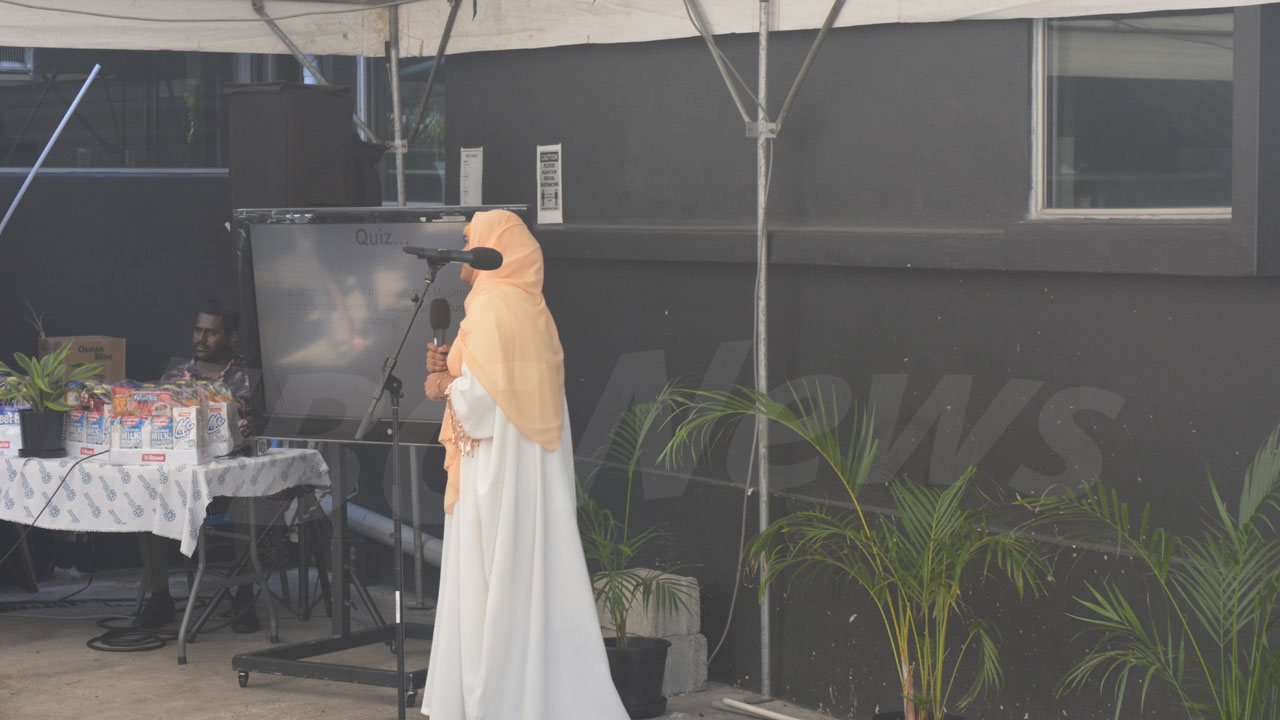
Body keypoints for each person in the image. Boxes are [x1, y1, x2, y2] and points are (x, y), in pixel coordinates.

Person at [420, 210, 629, 719]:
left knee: (492, 582)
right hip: (525, 473)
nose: (464, 244)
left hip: (496, 475)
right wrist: (450, 369)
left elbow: (482, 403)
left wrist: (443, 385)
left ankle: (495, 701)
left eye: (472, 237)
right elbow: (494, 384)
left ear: (495, 247)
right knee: (527, 579)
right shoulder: (530, 307)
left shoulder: (494, 306)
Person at [133, 299, 258, 631]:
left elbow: (249, 430)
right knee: (145, 496)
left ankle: (244, 594)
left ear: (232, 337)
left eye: (211, 332)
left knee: (250, 498)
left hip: (229, 481)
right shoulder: (177, 375)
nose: (201, 338)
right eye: (197, 330)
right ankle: (159, 596)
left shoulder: (246, 378)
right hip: (180, 478)